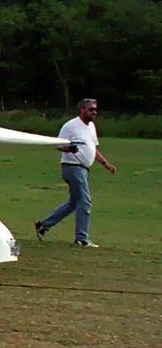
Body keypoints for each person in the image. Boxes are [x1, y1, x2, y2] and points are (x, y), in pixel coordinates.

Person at [35, 98, 115, 247]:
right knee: (85, 202)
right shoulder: (71, 126)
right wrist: (69, 149)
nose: (94, 112)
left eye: (95, 109)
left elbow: (93, 148)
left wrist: (105, 163)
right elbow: (58, 145)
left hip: (82, 169)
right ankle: (81, 239)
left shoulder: (91, 127)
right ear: (82, 109)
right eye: (91, 109)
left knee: (74, 203)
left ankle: (43, 225)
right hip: (72, 167)